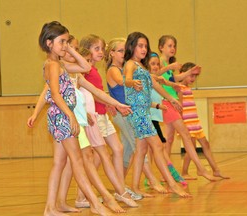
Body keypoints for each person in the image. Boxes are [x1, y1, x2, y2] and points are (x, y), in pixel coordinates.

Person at [34, 21, 112, 216]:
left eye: (67, 41)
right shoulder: (52, 65)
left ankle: (51, 207)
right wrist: (70, 116)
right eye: (62, 41)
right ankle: (95, 204)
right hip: (61, 116)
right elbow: (55, 94)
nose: (65, 45)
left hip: (61, 116)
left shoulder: (60, 63)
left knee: (60, 163)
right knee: (77, 161)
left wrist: (69, 48)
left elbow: (85, 67)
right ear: (49, 43)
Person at [123, 31, 191, 197]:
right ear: (131, 46)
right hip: (138, 113)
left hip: (144, 112)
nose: (144, 49)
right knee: (158, 146)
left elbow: (155, 84)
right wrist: (132, 83)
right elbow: (127, 79)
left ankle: (136, 188)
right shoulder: (130, 64)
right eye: (140, 45)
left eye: (145, 46)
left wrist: (172, 99)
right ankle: (172, 184)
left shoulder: (143, 67)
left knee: (141, 150)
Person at [79, 34, 137, 199]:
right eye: (96, 48)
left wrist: (107, 103)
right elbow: (89, 92)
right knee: (97, 156)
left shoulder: (94, 69)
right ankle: (83, 194)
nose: (100, 51)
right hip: (94, 115)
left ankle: (120, 188)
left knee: (118, 149)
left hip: (103, 113)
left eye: (101, 48)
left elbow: (97, 91)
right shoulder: (85, 70)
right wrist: (106, 103)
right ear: (86, 49)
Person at [105, 38, 166, 194]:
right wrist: (134, 79)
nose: (124, 53)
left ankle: (120, 187)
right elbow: (123, 81)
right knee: (139, 147)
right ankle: (152, 181)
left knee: (127, 151)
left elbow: (137, 96)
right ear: (111, 53)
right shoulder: (114, 70)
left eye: (125, 50)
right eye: (120, 50)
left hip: (130, 111)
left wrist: (156, 104)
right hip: (124, 114)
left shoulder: (126, 67)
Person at [155, 35, 218, 181]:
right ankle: (200, 169)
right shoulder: (160, 62)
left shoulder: (168, 65)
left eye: (174, 46)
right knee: (186, 135)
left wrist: (189, 72)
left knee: (169, 140)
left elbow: (173, 80)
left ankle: (167, 171)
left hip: (172, 101)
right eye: (169, 45)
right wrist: (170, 67)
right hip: (166, 102)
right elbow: (154, 75)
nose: (172, 48)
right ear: (161, 47)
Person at [179, 62, 230, 180]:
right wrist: (182, 124)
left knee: (205, 144)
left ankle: (216, 170)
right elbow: (180, 107)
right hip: (187, 124)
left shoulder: (187, 88)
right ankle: (184, 172)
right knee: (191, 148)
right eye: (191, 75)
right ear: (183, 74)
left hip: (195, 123)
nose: (193, 79)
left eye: (195, 76)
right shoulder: (179, 88)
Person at [144, 52, 186, 186]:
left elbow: (163, 81)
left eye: (157, 64)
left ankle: (148, 178)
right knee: (160, 145)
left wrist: (173, 85)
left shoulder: (155, 78)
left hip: (154, 116)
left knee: (150, 149)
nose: (156, 66)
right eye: (152, 64)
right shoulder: (146, 78)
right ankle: (171, 173)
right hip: (148, 116)